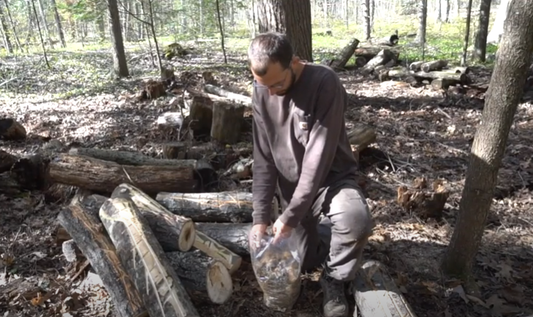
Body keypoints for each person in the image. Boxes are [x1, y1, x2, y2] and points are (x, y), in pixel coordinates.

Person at [247, 32, 374, 317]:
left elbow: (318, 157)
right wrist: (260, 218)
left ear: (294, 62)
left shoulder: (324, 82)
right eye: (262, 85)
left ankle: (335, 280)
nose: (271, 93)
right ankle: (330, 241)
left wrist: (290, 217)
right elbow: (263, 158)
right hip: (292, 190)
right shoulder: (262, 90)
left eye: (277, 83)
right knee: (300, 261)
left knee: (355, 220)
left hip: (332, 182)